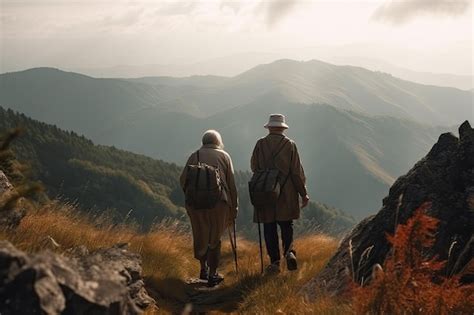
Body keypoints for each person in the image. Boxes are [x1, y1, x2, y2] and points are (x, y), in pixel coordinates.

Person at [251, 114, 309, 273]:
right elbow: (296, 173)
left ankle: (275, 262)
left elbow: (254, 167)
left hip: (266, 193)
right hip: (286, 193)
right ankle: (289, 252)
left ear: (269, 127)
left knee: (269, 227)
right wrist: (303, 194)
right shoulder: (290, 145)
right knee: (286, 225)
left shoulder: (260, 144)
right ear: (283, 128)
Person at [180, 130, 238, 287]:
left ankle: (202, 269)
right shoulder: (224, 156)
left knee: (200, 234)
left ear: (203, 141)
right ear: (218, 141)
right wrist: (234, 206)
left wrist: (193, 195)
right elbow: (231, 184)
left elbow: (183, 179)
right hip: (219, 203)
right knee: (214, 238)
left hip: (196, 204)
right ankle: (213, 274)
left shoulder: (195, 155)